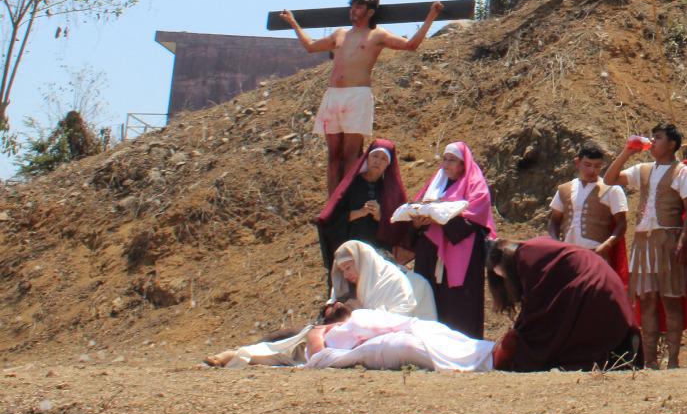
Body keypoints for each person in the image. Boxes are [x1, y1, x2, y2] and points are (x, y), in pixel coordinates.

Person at [278, 0, 445, 195]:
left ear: (370, 12)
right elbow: (311, 46)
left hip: (357, 95)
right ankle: (332, 206)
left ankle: (347, 200)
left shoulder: (378, 35)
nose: (353, 11)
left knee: (351, 154)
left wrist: (431, 17)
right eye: (352, 7)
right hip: (334, 96)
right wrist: (293, 23)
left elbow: (411, 45)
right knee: (333, 155)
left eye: (358, 7)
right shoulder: (340, 34)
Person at [204, 243, 433, 367]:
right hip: (342, 339)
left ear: (364, 262)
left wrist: (358, 323)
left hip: (376, 341)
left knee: (307, 354)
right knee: (293, 346)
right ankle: (241, 354)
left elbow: (400, 316)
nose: (348, 274)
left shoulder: (393, 282)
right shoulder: (349, 286)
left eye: (350, 268)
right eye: (343, 270)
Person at [603, 123, 687, 369]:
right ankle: (650, 361)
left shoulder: (682, 172)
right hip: (643, 241)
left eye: (658, 138)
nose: (653, 142)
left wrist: (683, 241)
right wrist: (627, 152)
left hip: (667, 239)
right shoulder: (644, 169)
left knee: (670, 300)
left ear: (672, 144)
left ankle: (674, 361)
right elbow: (610, 179)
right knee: (646, 300)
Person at [487, 238, 640, 372]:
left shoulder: (526, 260)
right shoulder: (535, 248)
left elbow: (537, 310)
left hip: (593, 290)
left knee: (541, 339)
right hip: (608, 286)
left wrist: (519, 340)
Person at [408, 142, 495, 338]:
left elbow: (475, 219)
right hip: (430, 255)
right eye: (444, 159)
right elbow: (417, 208)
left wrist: (439, 217)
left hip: (461, 254)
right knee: (428, 299)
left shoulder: (475, 186)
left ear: (463, 164)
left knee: (458, 308)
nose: (446, 164)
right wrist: (417, 222)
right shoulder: (434, 185)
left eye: (452, 160)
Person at [305, 303, 494, 372]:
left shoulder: (359, 317)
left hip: (417, 331)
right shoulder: (349, 326)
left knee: (465, 349)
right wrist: (317, 335)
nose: (336, 305)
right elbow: (319, 357)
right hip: (410, 337)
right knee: (467, 351)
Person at [315, 139, 409, 272]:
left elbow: (397, 228)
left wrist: (379, 215)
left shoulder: (390, 192)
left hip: (378, 254)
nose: (377, 161)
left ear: (388, 164)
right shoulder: (351, 185)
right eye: (375, 156)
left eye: (383, 159)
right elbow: (333, 219)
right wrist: (361, 212)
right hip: (352, 250)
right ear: (368, 157)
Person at [549, 143, 629, 275]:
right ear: (577, 162)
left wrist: (606, 246)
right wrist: (556, 242)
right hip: (568, 253)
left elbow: (621, 224)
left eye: (597, 166)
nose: (592, 170)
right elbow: (554, 221)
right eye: (587, 165)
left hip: (597, 255)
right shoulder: (564, 189)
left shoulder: (611, 189)